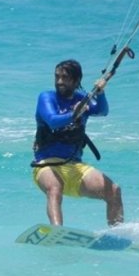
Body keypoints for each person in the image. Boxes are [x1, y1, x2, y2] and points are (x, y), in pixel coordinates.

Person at [31, 59, 124, 227]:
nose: (59, 81)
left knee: (114, 190)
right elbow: (52, 121)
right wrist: (74, 114)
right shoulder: (47, 97)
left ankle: (117, 234)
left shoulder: (82, 99)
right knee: (54, 188)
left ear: (76, 80)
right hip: (46, 164)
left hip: (74, 166)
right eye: (57, 76)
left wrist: (101, 92)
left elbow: (102, 111)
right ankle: (57, 231)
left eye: (65, 78)